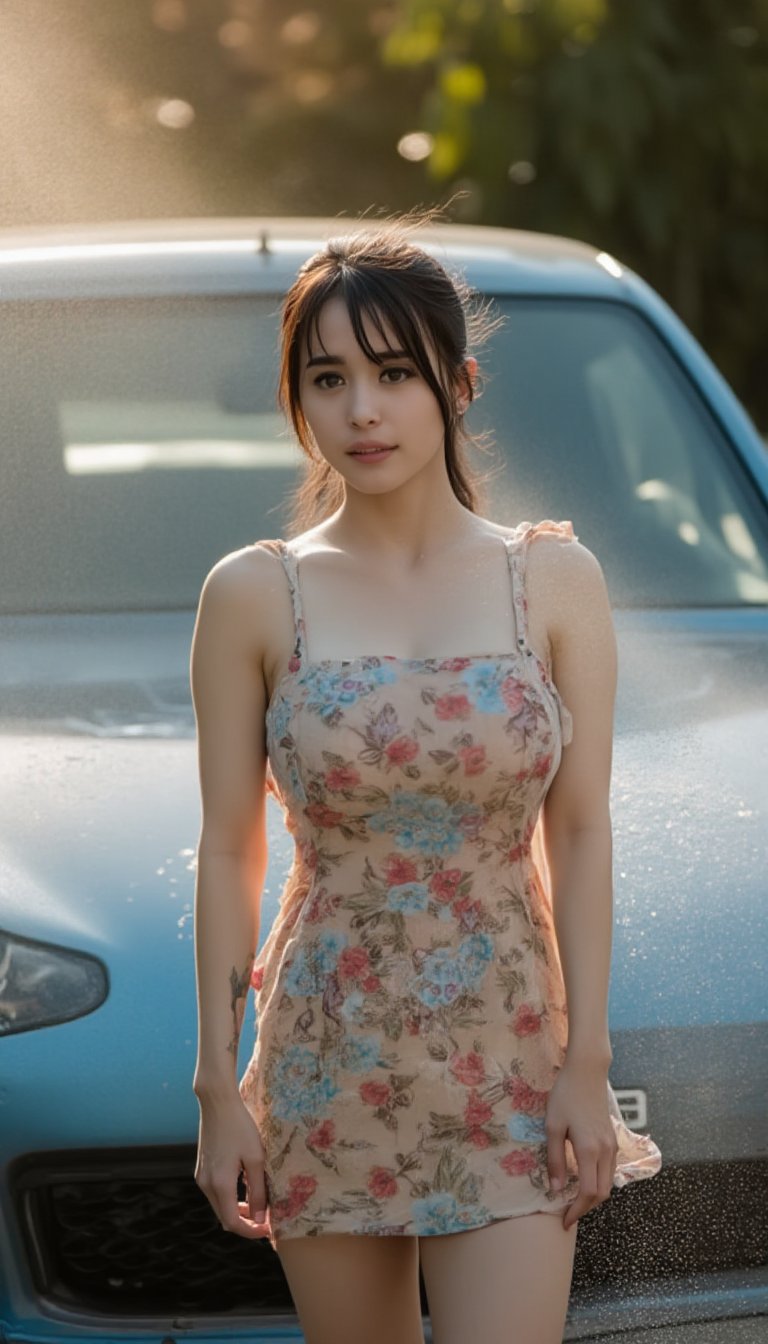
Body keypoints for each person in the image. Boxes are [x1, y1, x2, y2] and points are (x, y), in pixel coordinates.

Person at [189, 214, 662, 1344]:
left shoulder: (551, 578)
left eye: (395, 374)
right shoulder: (254, 595)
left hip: (513, 1055)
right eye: (330, 377)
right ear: (296, 397)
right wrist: (216, 1087)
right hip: (324, 1052)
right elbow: (229, 849)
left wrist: (586, 1061)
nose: (362, 410)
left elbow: (584, 829)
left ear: (457, 382)